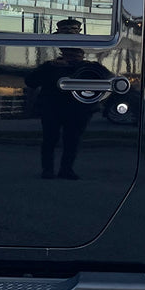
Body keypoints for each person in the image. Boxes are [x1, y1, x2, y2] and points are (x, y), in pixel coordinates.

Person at [25, 19, 98, 179]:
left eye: (76, 53)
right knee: (49, 139)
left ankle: (66, 169)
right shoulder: (50, 64)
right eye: (69, 53)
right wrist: (50, 66)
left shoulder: (88, 66)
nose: (72, 56)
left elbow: (106, 79)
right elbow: (30, 81)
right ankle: (48, 170)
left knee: (72, 140)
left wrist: (81, 66)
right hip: (52, 107)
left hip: (78, 109)